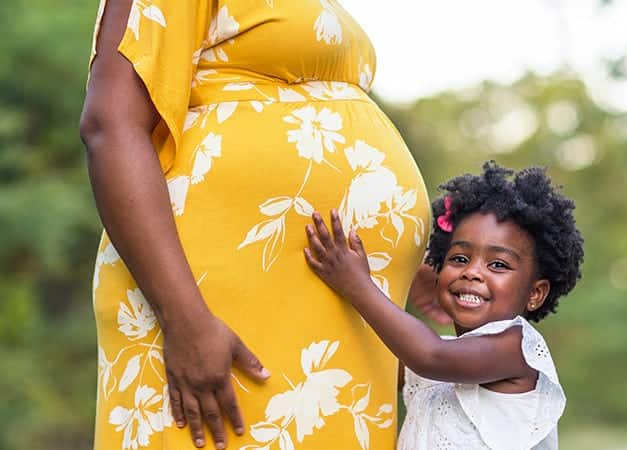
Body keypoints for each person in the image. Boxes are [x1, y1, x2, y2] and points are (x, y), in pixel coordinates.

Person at [79, 1, 431, 449]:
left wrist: (406, 259)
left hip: (331, 321)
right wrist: (183, 318)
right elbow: (111, 122)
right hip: (208, 302)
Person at [304, 162, 584, 450]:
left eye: (498, 264)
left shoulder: (516, 350)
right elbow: (374, 360)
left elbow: (430, 355)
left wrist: (357, 285)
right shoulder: (439, 363)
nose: (472, 272)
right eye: (459, 259)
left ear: (535, 293)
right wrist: (410, 272)